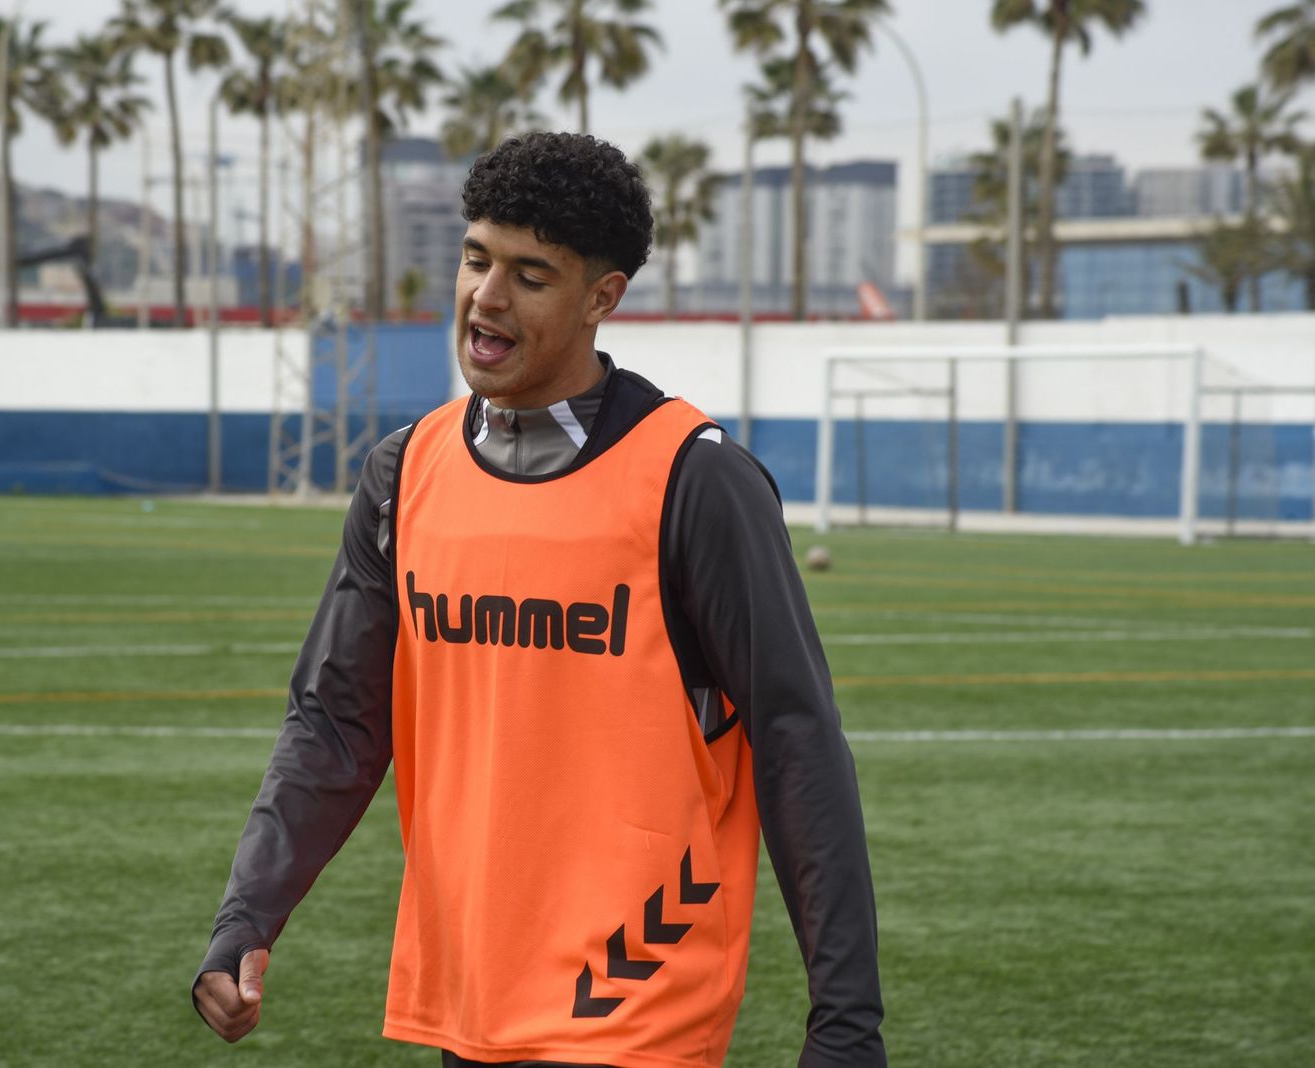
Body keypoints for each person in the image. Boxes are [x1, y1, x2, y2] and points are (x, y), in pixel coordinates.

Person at [193, 131, 885, 1068]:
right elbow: (335, 723)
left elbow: (796, 738)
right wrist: (246, 915)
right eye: (476, 258)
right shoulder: (404, 474)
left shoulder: (693, 480)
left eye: (530, 275)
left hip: (633, 993)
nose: (487, 295)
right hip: (468, 995)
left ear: (604, 296)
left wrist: (846, 1022)